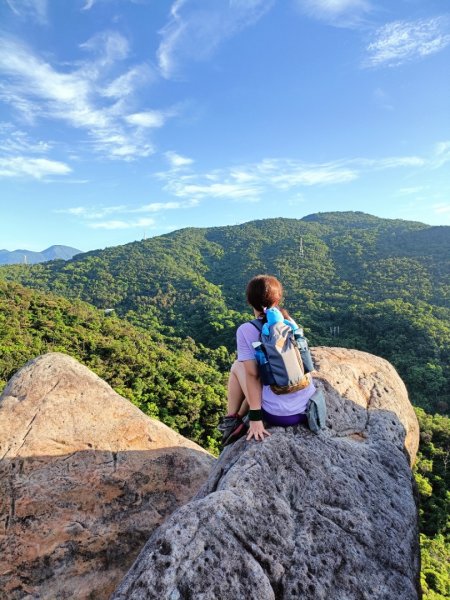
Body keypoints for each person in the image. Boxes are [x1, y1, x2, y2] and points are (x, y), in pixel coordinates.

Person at [221, 274, 316, 443]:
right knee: (250, 369)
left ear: (250, 301)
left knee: (237, 366)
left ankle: (231, 420)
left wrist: (256, 419)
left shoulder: (246, 330)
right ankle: (238, 417)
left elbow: (253, 375)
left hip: (276, 414)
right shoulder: (289, 322)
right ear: (278, 299)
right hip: (305, 410)